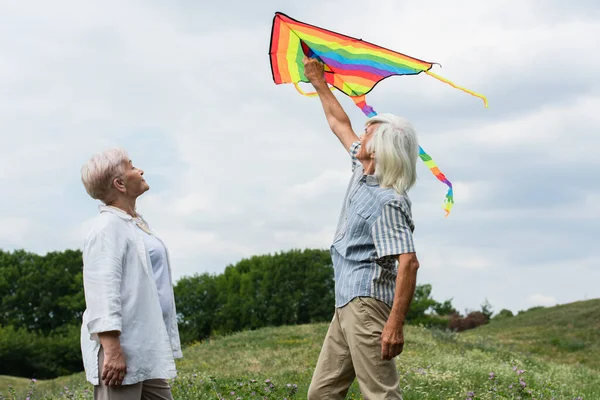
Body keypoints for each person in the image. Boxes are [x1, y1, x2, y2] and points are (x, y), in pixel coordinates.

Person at [303, 56, 421, 400]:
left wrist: (394, 325)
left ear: (381, 145)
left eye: (369, 129)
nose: (362, 131)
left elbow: (408, 263)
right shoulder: (360, 169)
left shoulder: (388, 200)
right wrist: (319, 83)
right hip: (346, 302)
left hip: (367, 305)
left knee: (380, 395)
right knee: (321, 395)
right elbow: (339, 123)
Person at [79, 148, 182, 400]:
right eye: (132, 166)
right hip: (120, 348)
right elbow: (101, 290)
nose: (140, 170)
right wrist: (112, 350)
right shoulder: (107, 229)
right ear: (120, 184)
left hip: (145, 344)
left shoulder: (133, 225)